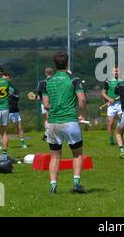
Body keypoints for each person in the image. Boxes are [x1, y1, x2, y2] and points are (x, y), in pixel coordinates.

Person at [42, 52, 87, 194]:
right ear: (67, 63)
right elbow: (82, 99)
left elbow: (46, 104)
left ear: (54, 64)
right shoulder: (73, 79)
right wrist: (83, 115)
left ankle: (53, 186)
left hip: (53, 123)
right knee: (77, 154)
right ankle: (76, 183)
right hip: (70, 122)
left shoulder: (47, 82)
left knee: (55, 156)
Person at [2, 72, 27, 148]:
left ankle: (23, 144)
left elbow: (17, 98)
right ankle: (3, 144)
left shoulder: (13, 88)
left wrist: (11, 95)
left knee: (19, 126)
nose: (6, 81)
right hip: (4, 110)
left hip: (14, 110)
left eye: (7, 79)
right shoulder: (0, 88)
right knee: (4, 129)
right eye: (4, 79)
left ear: (9, 79)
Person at [101, 66, 122, 145]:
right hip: (111, 105)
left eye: (117, 71)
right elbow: (103, 93)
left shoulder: (123, 81)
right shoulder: (108, 81)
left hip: (120, 103)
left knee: (122, 121)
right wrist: (109, 99)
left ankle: (119, 136)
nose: (116, 73)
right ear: (112, 72)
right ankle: (111, 138)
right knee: (110, 122)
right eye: (114, 71)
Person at [37, 67, 54, 141]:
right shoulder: (55, 81)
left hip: (44, 103)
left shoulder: (42, 82)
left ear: (46, 73)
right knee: (51, 119)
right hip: (53, 103)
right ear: (52, 73)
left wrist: (40, 98)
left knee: (47, 119)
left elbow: (39, 92)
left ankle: (46, 135)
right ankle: (47, 135)